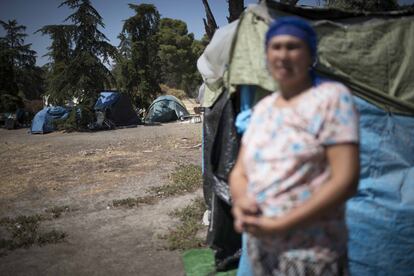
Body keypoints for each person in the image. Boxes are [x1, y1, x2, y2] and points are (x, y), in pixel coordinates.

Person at [229, 17, 360, 275]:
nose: (283, 55)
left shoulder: (331, 98)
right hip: (261, 251)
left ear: (310, 53)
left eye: (293, 47)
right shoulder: (263, 109)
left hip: (311, 255)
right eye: (275, 47)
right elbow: (239, 172)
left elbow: (346, 179)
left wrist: (281, 224)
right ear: (266, 55)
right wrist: (242, 200)